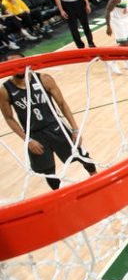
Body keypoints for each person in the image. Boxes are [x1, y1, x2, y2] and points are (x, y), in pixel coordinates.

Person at [0, 53, 97, 190]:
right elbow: (9, 118)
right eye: (14, 66)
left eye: (21, 63)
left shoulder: (44, 79)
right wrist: (27, 140)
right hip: (34, 135)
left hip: (56, 126)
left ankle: (95, 177)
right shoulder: (5, 90)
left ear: (27, 62)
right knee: (47, 170)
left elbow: (62, 104)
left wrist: (75, 128)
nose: (19, 68)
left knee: (82, 156)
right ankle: (58, 195)